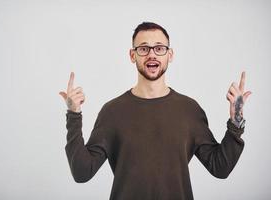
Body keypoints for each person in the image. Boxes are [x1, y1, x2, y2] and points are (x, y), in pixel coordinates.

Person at [59, 22, 251, 200]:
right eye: (143, 48)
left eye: (159, 48)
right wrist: (73, 115)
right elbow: (82, 173)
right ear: (132, 55)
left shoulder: (189, 109)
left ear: (170, 55)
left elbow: (220, 168)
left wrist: (236, 121)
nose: (152, 54)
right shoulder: (112, 112)